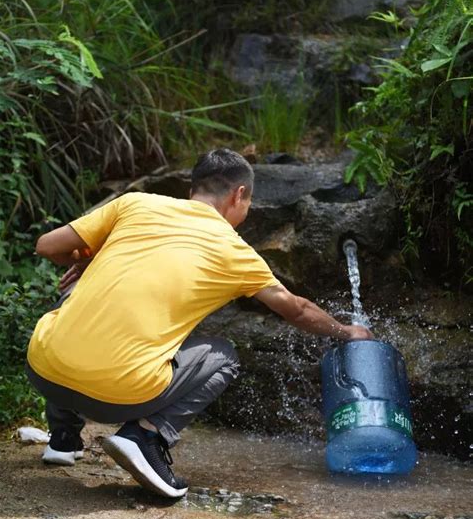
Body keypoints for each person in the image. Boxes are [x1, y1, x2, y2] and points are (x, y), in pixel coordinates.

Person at [27, 148, 373, 498]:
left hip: (42, 371)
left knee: (79, 299)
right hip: (115, 397)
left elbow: (47, 245)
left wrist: (92, 260)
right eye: (248, 203)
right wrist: (347, 332)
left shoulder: (135, 204)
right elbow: (296, 310)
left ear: (195, 187)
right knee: (223, 355)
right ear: (239, 195)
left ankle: (63, 439)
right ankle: (145, 436)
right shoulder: (235, 252)